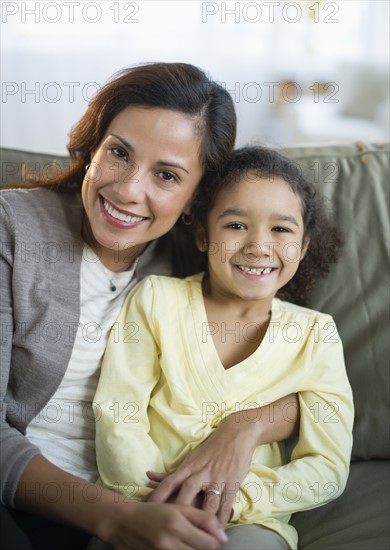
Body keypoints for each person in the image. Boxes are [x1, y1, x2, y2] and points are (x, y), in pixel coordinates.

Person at [0, 63, 299, 550]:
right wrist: (119, 519)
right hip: (24, 502)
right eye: (119, 153)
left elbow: (302, 370)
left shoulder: (196, 261)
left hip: (145, 508)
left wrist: (245, 426)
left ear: (195, 198)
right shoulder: (13, 230)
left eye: (166, 175)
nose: (127, 190)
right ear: (92, 146)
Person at [93, 146, 354, 550]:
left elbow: (327, 466)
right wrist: (152, 500)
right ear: (202, 234)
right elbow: (118, 416)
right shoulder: (156, 300)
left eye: (281, 230)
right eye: (236, 225)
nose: (258, 245)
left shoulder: (316, 336)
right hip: (143, 506)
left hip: (249, 521)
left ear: (303, 247)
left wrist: (231, 501)